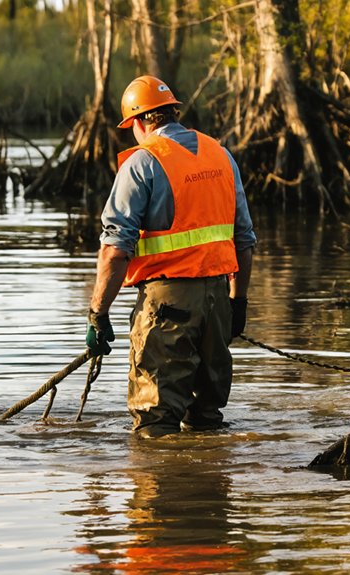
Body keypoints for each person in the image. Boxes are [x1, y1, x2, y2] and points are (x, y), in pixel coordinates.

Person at [85, 75, 256, 439]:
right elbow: (244, 239)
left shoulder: (142, 162)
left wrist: (98, 314)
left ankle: (161, 474)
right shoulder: (220, 155)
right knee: (206, 421)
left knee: (155, 425)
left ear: (139, 121)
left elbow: (115, 250)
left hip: (167, 308)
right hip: (217, 303)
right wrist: (237, 302)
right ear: (172, 112)